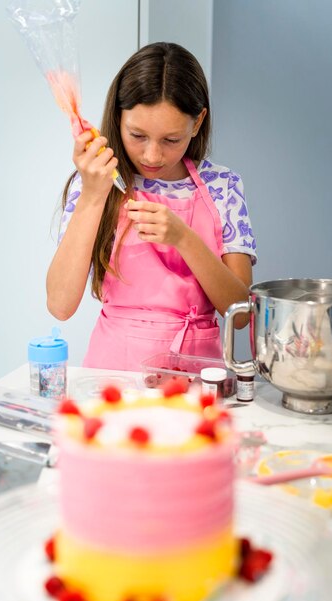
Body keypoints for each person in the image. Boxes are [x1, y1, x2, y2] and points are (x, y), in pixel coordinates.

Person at [46, 42, 257, 371]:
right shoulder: (94, 181)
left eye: (171, 140)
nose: (152, 156)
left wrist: (184, 238)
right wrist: (92, 195)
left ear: (198, 122)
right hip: (112, 377)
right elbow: (59, 305)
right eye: (137, 135)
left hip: (198, 380)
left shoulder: (223, 186)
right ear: (118, 118)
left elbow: (241, 313)